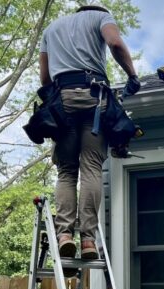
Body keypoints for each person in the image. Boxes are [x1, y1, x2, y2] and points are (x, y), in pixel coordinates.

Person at [39, 4, 140, 264]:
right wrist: (132, 75)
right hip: (95, 100)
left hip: (62, 101)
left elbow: (44, 79)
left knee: (67, 171)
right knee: (92, 168)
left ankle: (63, 237)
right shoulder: (101, 17)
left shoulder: (51, 29)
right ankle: (87, 240)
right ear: (96, 10)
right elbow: (115, 43)